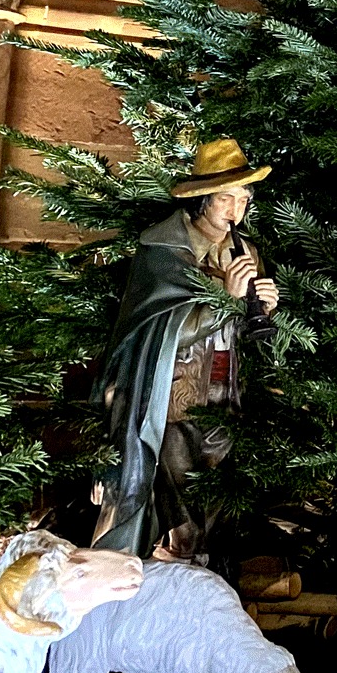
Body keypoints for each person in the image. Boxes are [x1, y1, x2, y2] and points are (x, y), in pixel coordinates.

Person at [90, 139, 280, 561]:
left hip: (225, 394)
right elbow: (161, 330)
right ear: (201, 201)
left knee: (214, 504)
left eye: (243, 199)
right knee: (178, 508)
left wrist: (260, 310)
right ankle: (165, 574)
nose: (236, 210)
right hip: (174, 397)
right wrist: (225, 299)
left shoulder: (246, 252)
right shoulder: (164, 253)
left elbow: (247, 334)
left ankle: (203, 585)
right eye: (226, 199)